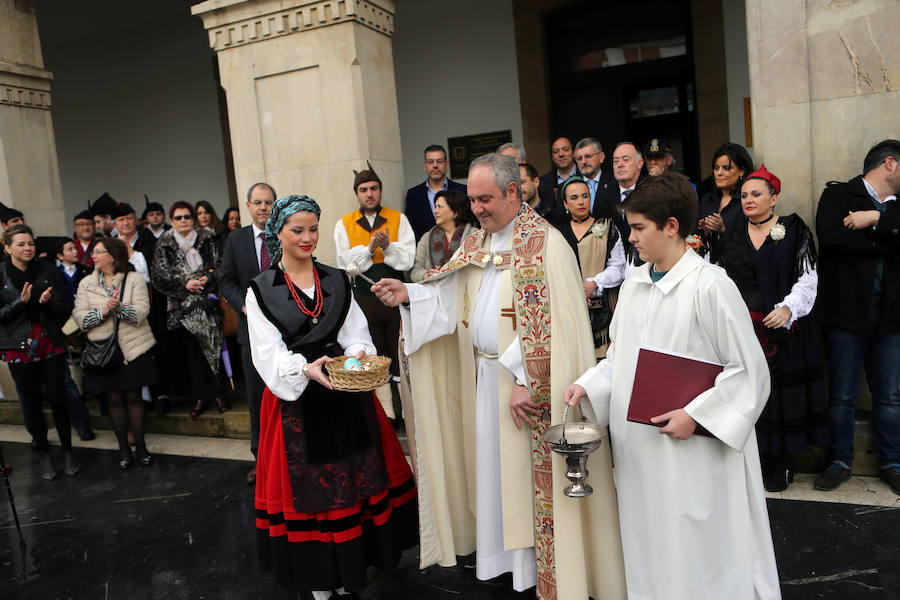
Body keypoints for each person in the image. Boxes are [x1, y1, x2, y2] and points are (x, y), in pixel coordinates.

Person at [372, 153, 625, 599]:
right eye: (471, 200)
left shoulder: (545, 244)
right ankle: (503, 563)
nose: (477, 209)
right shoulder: (478, 242)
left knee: (528, 478)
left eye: (485, 199)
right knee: (493, 475)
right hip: (483, 379)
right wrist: (409, 294)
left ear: (513, 192)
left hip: (525, 387)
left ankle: (537, 570)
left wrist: (528, 379)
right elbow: (449, 297)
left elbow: (560, 324)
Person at [564, 172, 780, 599]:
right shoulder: (633, 285)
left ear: (672, 227)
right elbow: (620, 358)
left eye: (640, 228)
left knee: (698, 545)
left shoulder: (710, 286)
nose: (632, 238)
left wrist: (695, 415)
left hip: (693, 450)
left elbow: (749, 372)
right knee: (650, 539)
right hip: (641, 452)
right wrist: (589, 385)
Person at [247, 195, 417, 600]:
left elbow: (356, 333)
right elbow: (266, 352)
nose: (308, 238)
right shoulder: (261, 290)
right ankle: (322, 581)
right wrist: (303, 369)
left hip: (345, 393)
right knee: (313, 494)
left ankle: (354, 568)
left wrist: (358, 356)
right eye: (297, 230)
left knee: (357, 482)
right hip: (296, 402)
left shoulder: (336, 278)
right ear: (278, 233)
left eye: (313, 229)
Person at [718, 165, 827, 491]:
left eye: (756, 194)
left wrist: (788, 308)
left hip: (781, 328)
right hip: (742, 329)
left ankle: (779, 462)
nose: (748, 200)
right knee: (745, 393)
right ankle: (750, 459)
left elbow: (808, 277)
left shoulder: (793, 229)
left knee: (778, 395)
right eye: (744, 195)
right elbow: (720, 280)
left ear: (773, 198)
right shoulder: (732, 235)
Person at [814, 139, 900, 495]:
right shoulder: (838, 196)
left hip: (891, 318)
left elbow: (856, 240)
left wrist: (876, 218)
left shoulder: (893, 207)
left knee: (890, 397)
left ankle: (893, 462)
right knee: (843, 396)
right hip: (846, 317)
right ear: (890, 164)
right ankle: (839, 461)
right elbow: (832, 239)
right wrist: (889, 237)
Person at [334, 162, 415, 418]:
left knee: (400, 354)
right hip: (363, 301)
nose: (370, 194)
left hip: (394, 299)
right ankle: (387, 416)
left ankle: (407, 414)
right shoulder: (344, 224)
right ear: (357, 193)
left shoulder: (398, 218)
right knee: (373, 356)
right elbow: (345, 265)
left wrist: (388, 246)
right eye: (364, 189)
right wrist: (369, 249)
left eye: (374, 188)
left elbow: (408, 259)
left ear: (380, 190)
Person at [74, 237, 158, 470]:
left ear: (113, 255)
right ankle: (123, 450)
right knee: (113, 399)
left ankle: (141, 448)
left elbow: (141, 314)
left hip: (134, 347)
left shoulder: (134, 279)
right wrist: (102, 311)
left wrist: (119, 307)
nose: (94, 256)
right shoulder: (86, 284)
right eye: (93, 252)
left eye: (99, 251)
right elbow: (80, 319)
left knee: (134, 397)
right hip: (103, 351)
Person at [0, 224, 77, 480]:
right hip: (18, 347)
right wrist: (18, 304)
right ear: (7, 247)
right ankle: (43, 452)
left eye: (30, 243)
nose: (27, 248)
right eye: (20, 244)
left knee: (58, 398)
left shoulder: (47, 270)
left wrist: (49, 302)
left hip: (49, 342)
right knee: (31, 402)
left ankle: (67, 450)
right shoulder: (1, 275)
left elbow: (66, 307)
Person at [218, 182, 276, 484]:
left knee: (284, 394)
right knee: (256, 398)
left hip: (285, 330)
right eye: (258, 202)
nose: (264, 207)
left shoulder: (283, 234)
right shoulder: (236, 239)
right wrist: (243, 307)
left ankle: (288, 457)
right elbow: (225, 279)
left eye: (268, 202)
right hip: (250, 331)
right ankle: (261, 460)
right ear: (249, 206)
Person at [151, 201, 227, 417]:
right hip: (182, 306)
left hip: (208, 301)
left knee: (214, 349)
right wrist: (184, 284)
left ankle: (219, 394)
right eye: (178, 218)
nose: (183, 221)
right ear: (172, 221)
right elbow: (158, 275)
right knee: (193, 355)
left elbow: (221, 264)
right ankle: (200, 397)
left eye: (187, 217)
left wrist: (209, 277)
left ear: (193, 218)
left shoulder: (207, 237)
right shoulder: (164, 243)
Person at [557, 176, 625, 358]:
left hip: (603, 309)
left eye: (585, 196)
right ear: (565, 203)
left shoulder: (608, 227)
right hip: (570, 309)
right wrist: (575, 290)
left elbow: (619, 267)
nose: (581, 201)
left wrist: (594, 283)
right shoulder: (558, 234)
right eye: (574, 198)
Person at [697, 143, 754, 263]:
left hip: (738, 270)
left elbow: (751, 242)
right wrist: (704, 232)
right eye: (716, 168)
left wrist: (723, 231)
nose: (719, 173)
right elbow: (696, 239)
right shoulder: (708, 199)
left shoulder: (747, 201)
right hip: (709, 268)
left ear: (742, 171)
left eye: (726, 168)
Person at [409, 189, 477, 282]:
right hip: (434, 291)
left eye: (440, 207)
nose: (435, 211)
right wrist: (427, 275)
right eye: (435, 207)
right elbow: (415, 271)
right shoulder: (427, 237)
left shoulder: (473, 234)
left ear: (455, 213)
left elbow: (478, 267)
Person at [404, 145, 468, 241]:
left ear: (447, 164)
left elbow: (469, 222)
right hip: (426, 251)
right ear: (425, 166)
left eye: (439, 161)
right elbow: (411, 230)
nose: (435, 165)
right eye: (430, 162)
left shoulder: (462, 190)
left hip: (460, 248)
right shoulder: (413, 195)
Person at [537, 136, 577, 224]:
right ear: (552, 157)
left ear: (574, 152)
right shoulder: (543, 182)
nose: (561, 154)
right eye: (556, 151)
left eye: (565, 149)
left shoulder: (585, 176)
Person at [113, 202, 157, 283]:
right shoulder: (110, 243)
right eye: (121, 220)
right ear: (114, 224)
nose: (126, 223)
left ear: (136, 220)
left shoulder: (148, 239)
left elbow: (147, 275)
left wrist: (127, 246)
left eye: (129, 218)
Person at [573, 138, 617, 217]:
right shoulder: (569, 186)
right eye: (579, 158)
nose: (584, 162)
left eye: (588, 156)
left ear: (601, 157)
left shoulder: (615, 183)